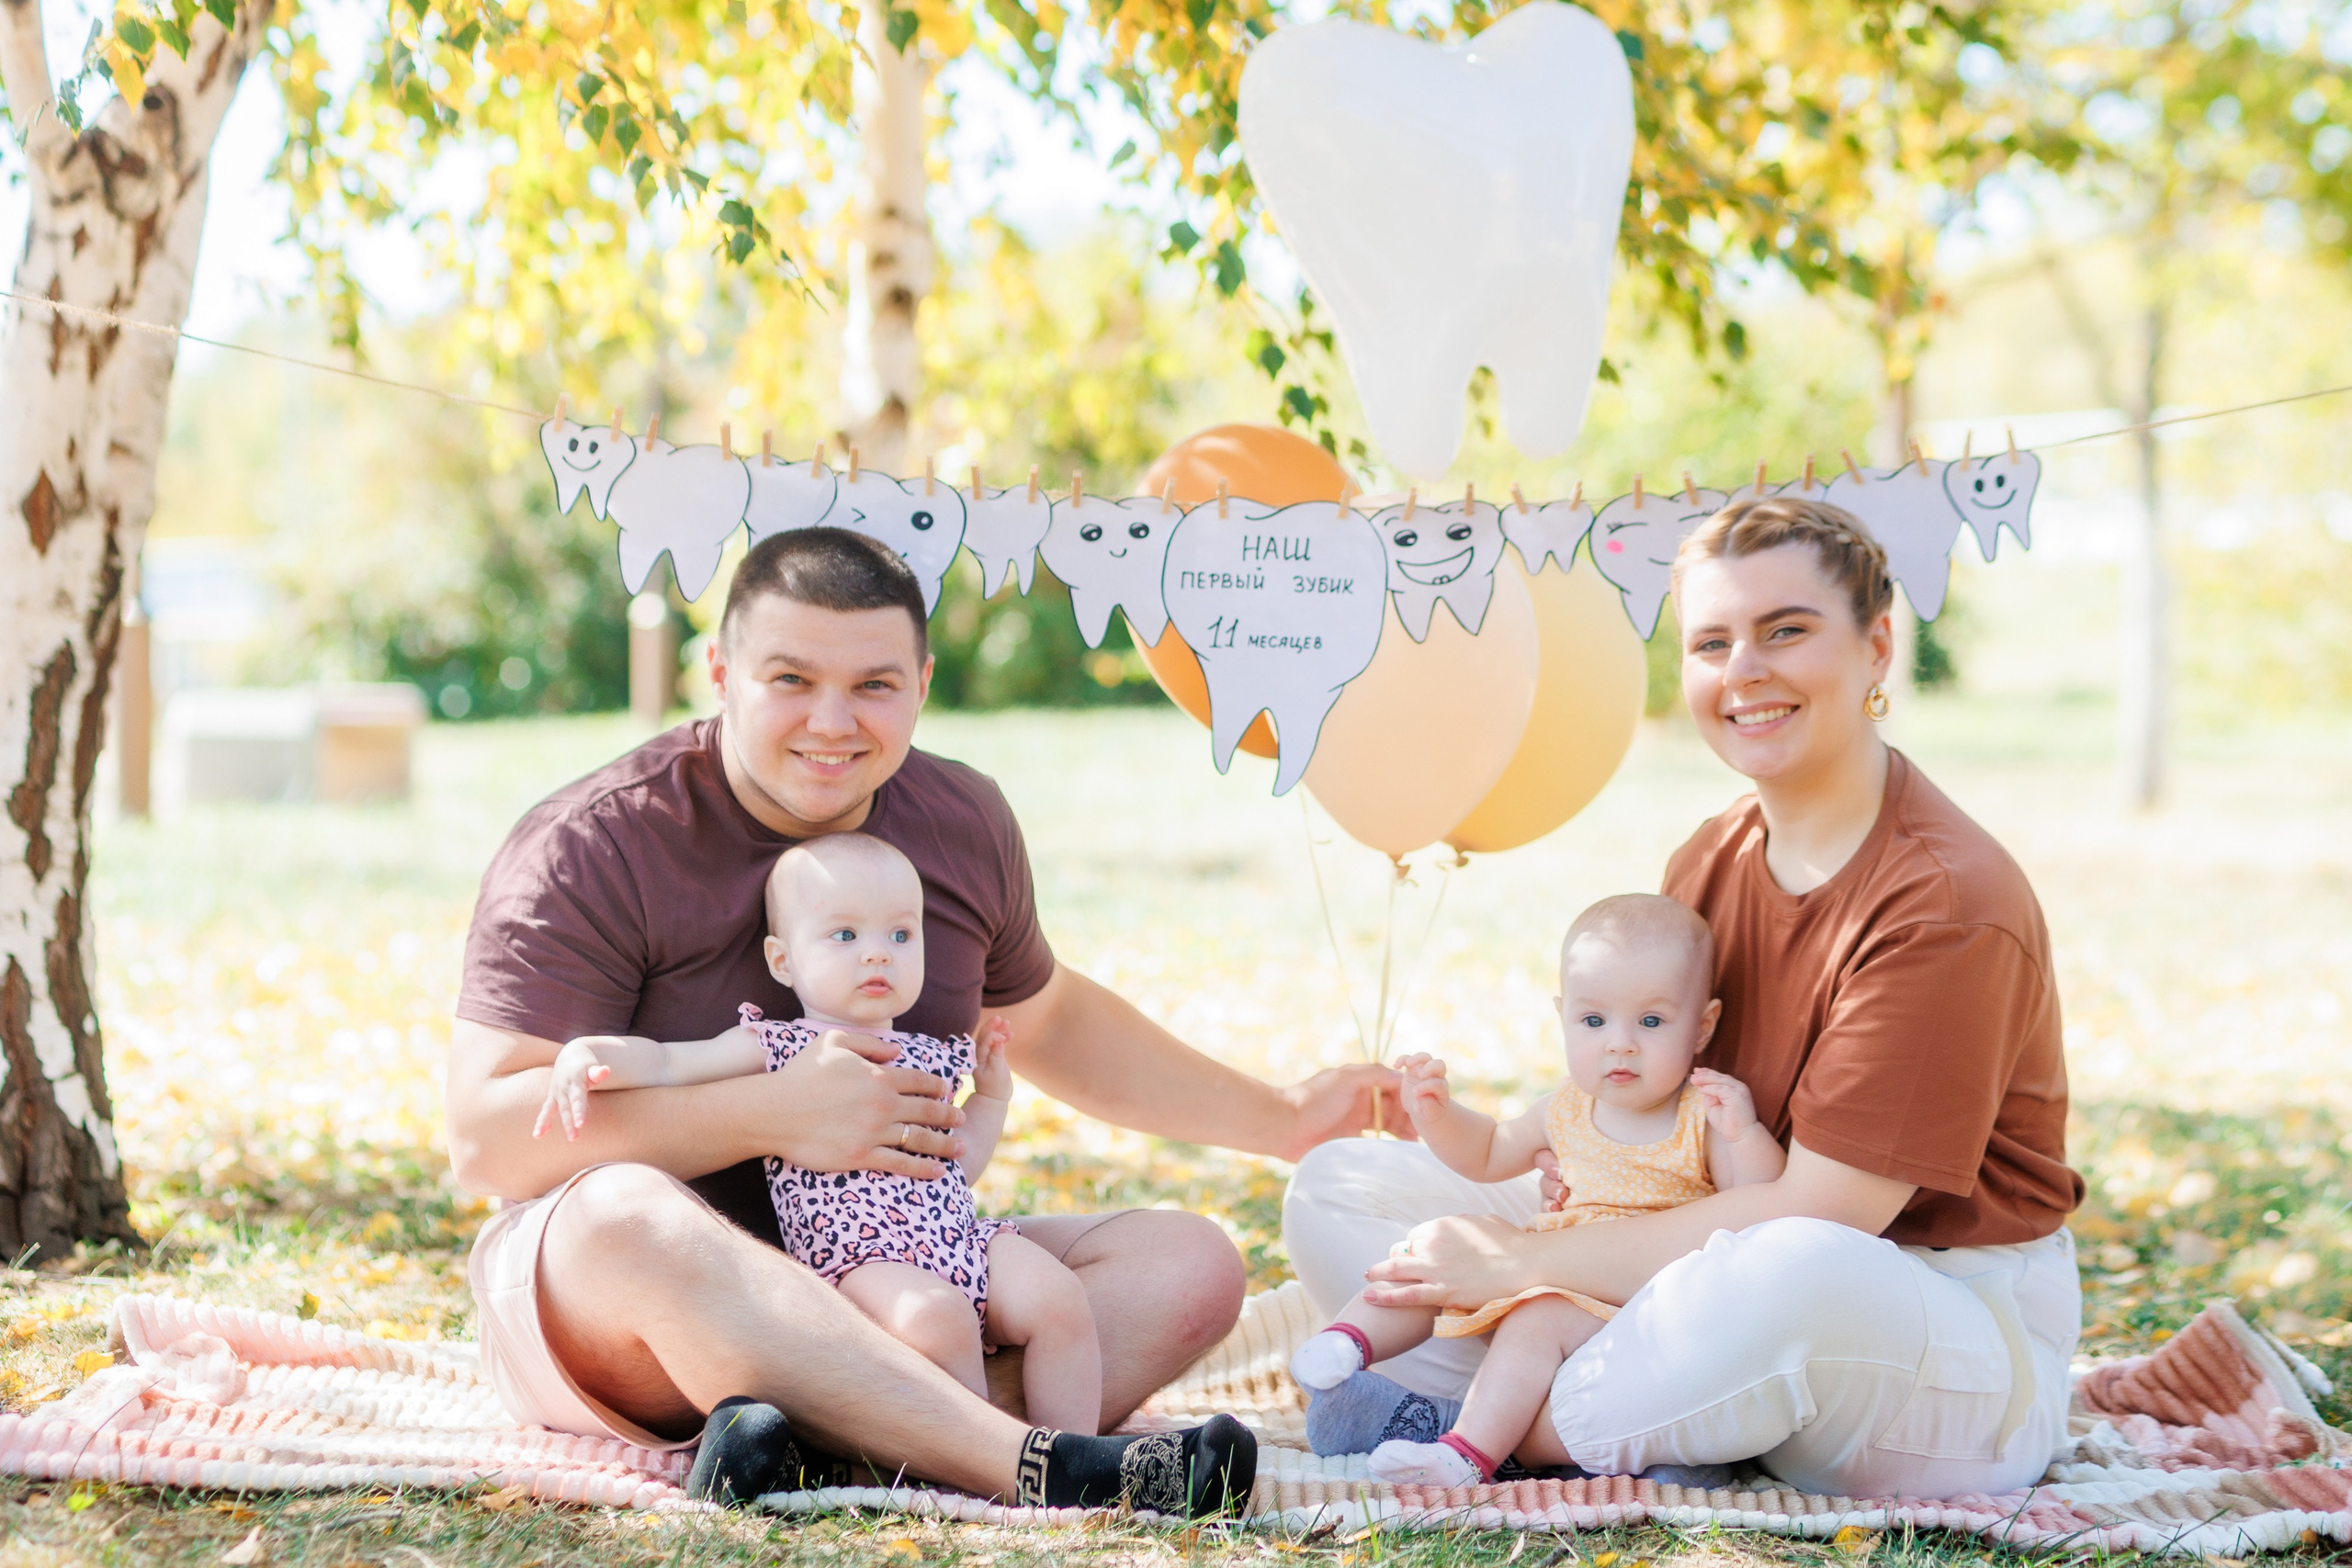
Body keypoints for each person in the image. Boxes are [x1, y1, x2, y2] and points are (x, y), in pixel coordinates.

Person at [449, 526, 1396, 1511]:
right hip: (646, 1309)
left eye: (873, 685)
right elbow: (486, 1140)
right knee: (618, 1216)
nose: (832, 721)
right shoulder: (595, 843)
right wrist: (773, 1112)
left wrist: (1286, 1119)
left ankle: (819, 1447)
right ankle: (1035, 1464)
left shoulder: (958, 819)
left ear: (923, 681)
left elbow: (1048, 1019)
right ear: (721, 671)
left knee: (1189, 1264)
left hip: (896, 1267)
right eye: (789, 678)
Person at [1283, 495, 2086, 1502]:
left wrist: (1510, 1261)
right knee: (1344, 1188)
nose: (1744, 670)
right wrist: (1551, 1203)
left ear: (1877, 647)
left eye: (1784, 631)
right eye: (1711, 642)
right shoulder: (1711, 856)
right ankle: (1588, 1407)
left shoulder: (1945, 903)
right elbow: (1648, 1119)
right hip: (1709, 1265)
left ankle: (1488, 1417)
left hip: (1917, 1313)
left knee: (1790, 1273)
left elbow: (1826, 1215)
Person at [534, 832, 1105, 1434]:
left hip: (960, 1240)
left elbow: (957, 1166)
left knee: (1059, 1297)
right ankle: (989, 1466)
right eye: (845, 935)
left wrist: (991, 1096)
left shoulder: (929, 1054)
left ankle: (1079, 1457)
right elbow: (670, 1064)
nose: (878, 953)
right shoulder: (779, 1045)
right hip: (857, 1262)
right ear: (783, 959)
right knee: (941, 1321)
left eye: (901, 935)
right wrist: (586, 1052)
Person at [1287, 894, 1783, 1487]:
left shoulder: (1700, 1114)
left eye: (1651, 1022)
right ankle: (1345, 1343)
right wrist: (1439, 1115)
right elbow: (1490, 1151)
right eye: (1594, 1021)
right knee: (1439, 1250)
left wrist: (1745, 1132)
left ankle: (1467, 1451)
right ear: (1564, 1015)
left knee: (1536, 1321)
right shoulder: (1566, 1109)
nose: (1619, 1043)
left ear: (1702, 1026)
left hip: (1635, 1297)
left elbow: (1765, 1208)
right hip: (1546, 1271)